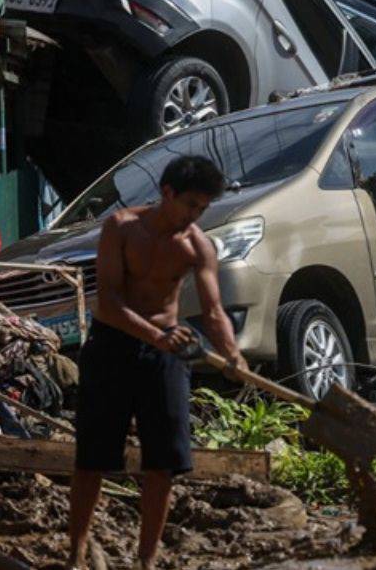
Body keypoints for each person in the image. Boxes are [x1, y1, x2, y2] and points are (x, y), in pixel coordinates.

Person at [66, 155, 247, 570]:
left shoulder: (197, 245)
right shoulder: (121, 228)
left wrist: (232, 354)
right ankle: (75, 553)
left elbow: (214, 310)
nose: (194, 216)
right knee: (92, 458)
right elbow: (108, 304)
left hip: (165, 354)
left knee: (163, 463)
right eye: (190, 206)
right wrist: (156, 337)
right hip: (112, 345)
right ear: (167, 193)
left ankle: (146, 561)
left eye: (202, 209)